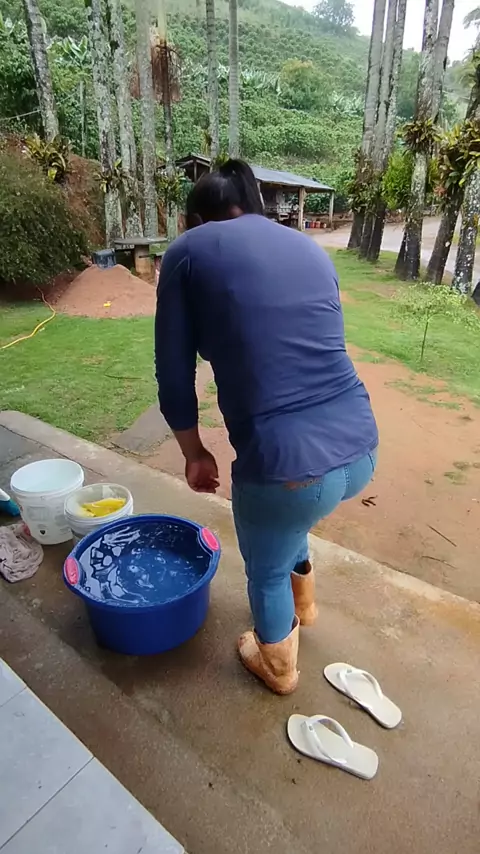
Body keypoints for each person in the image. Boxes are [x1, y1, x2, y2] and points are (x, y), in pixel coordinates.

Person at [155, 160, 378, 695]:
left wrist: (194, 452)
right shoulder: (309, 248)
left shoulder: (188, 251)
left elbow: (173, 373)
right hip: (361, 447)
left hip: (288, 470)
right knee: (291, 520)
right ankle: (307, 607)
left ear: (197, 218)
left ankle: (277, 666)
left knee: (266, 569)